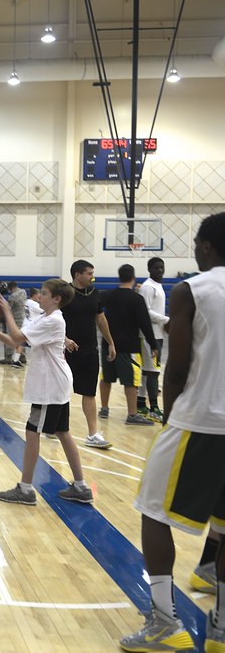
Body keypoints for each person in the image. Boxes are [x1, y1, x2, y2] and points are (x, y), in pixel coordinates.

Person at [120, 212, 225, 651]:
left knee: (152, 510)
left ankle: (165, 622)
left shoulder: (194, 289)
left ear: (205, 246)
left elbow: (177, 366)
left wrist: (168, 417)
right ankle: (220, 630)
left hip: (198, 422)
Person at [0, 280, 94, 506]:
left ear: (56, 299)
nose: (39, 296)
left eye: (43, 293)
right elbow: (17, 343)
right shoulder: (46, 318)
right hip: (56, 382)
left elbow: (16, 338)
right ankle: (81, 487)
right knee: (63, 432)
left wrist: (5, 311)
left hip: (49, 385)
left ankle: (26, 489)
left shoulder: (52, 320)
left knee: (32, 432)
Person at [60, 260, 116, 450]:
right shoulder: (65, 293)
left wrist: (110, 342)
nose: (92, 276)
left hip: (89, 350)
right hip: (66, 350)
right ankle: (57, 427)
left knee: (89, 392)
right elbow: (53, 318)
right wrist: (64, 339)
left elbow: (100, 319)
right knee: (62, 391)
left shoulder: (95, 293)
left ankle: (92, 434)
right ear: (77, 274)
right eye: (89, 273)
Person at [97, 264, 158, 425]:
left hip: (107, 344)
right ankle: (132, 415)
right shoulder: (137, 299)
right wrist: (153, 344)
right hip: (128, 346)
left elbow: (95, 310)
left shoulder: (109, 294)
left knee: (106, 377)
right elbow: (145, 323)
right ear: (133, 277)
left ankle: (104, 409)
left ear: (119, 277)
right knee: (131, 381)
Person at [136, 256, 170, 422]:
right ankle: (154, 407)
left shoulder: (158, 286)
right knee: (153, 372)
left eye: (162, 267)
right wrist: (166, 320)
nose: (160, 270)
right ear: (150, 269)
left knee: (147, 371)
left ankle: (141, 403)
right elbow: (145, 311)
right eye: (157, 268)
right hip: (149, 335)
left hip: (157, 333)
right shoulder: (148, 287)